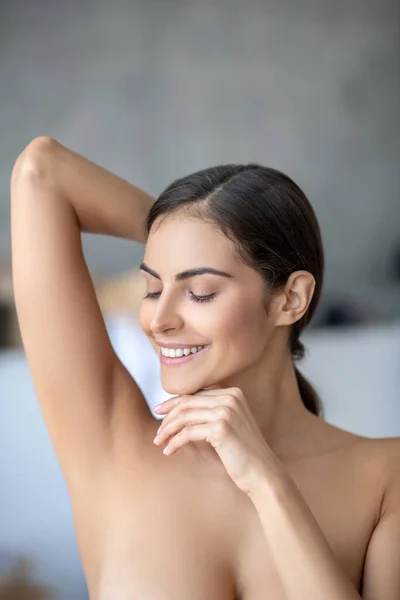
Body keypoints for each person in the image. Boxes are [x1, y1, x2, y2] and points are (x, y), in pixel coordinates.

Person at [10, 137, 399, 600]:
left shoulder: (385, 476)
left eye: (200, 292)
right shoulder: (110, 442)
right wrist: (186, 230)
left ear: (290, 299)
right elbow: (42, 171)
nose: (159, 320)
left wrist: (267, 481)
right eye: (153, 288)